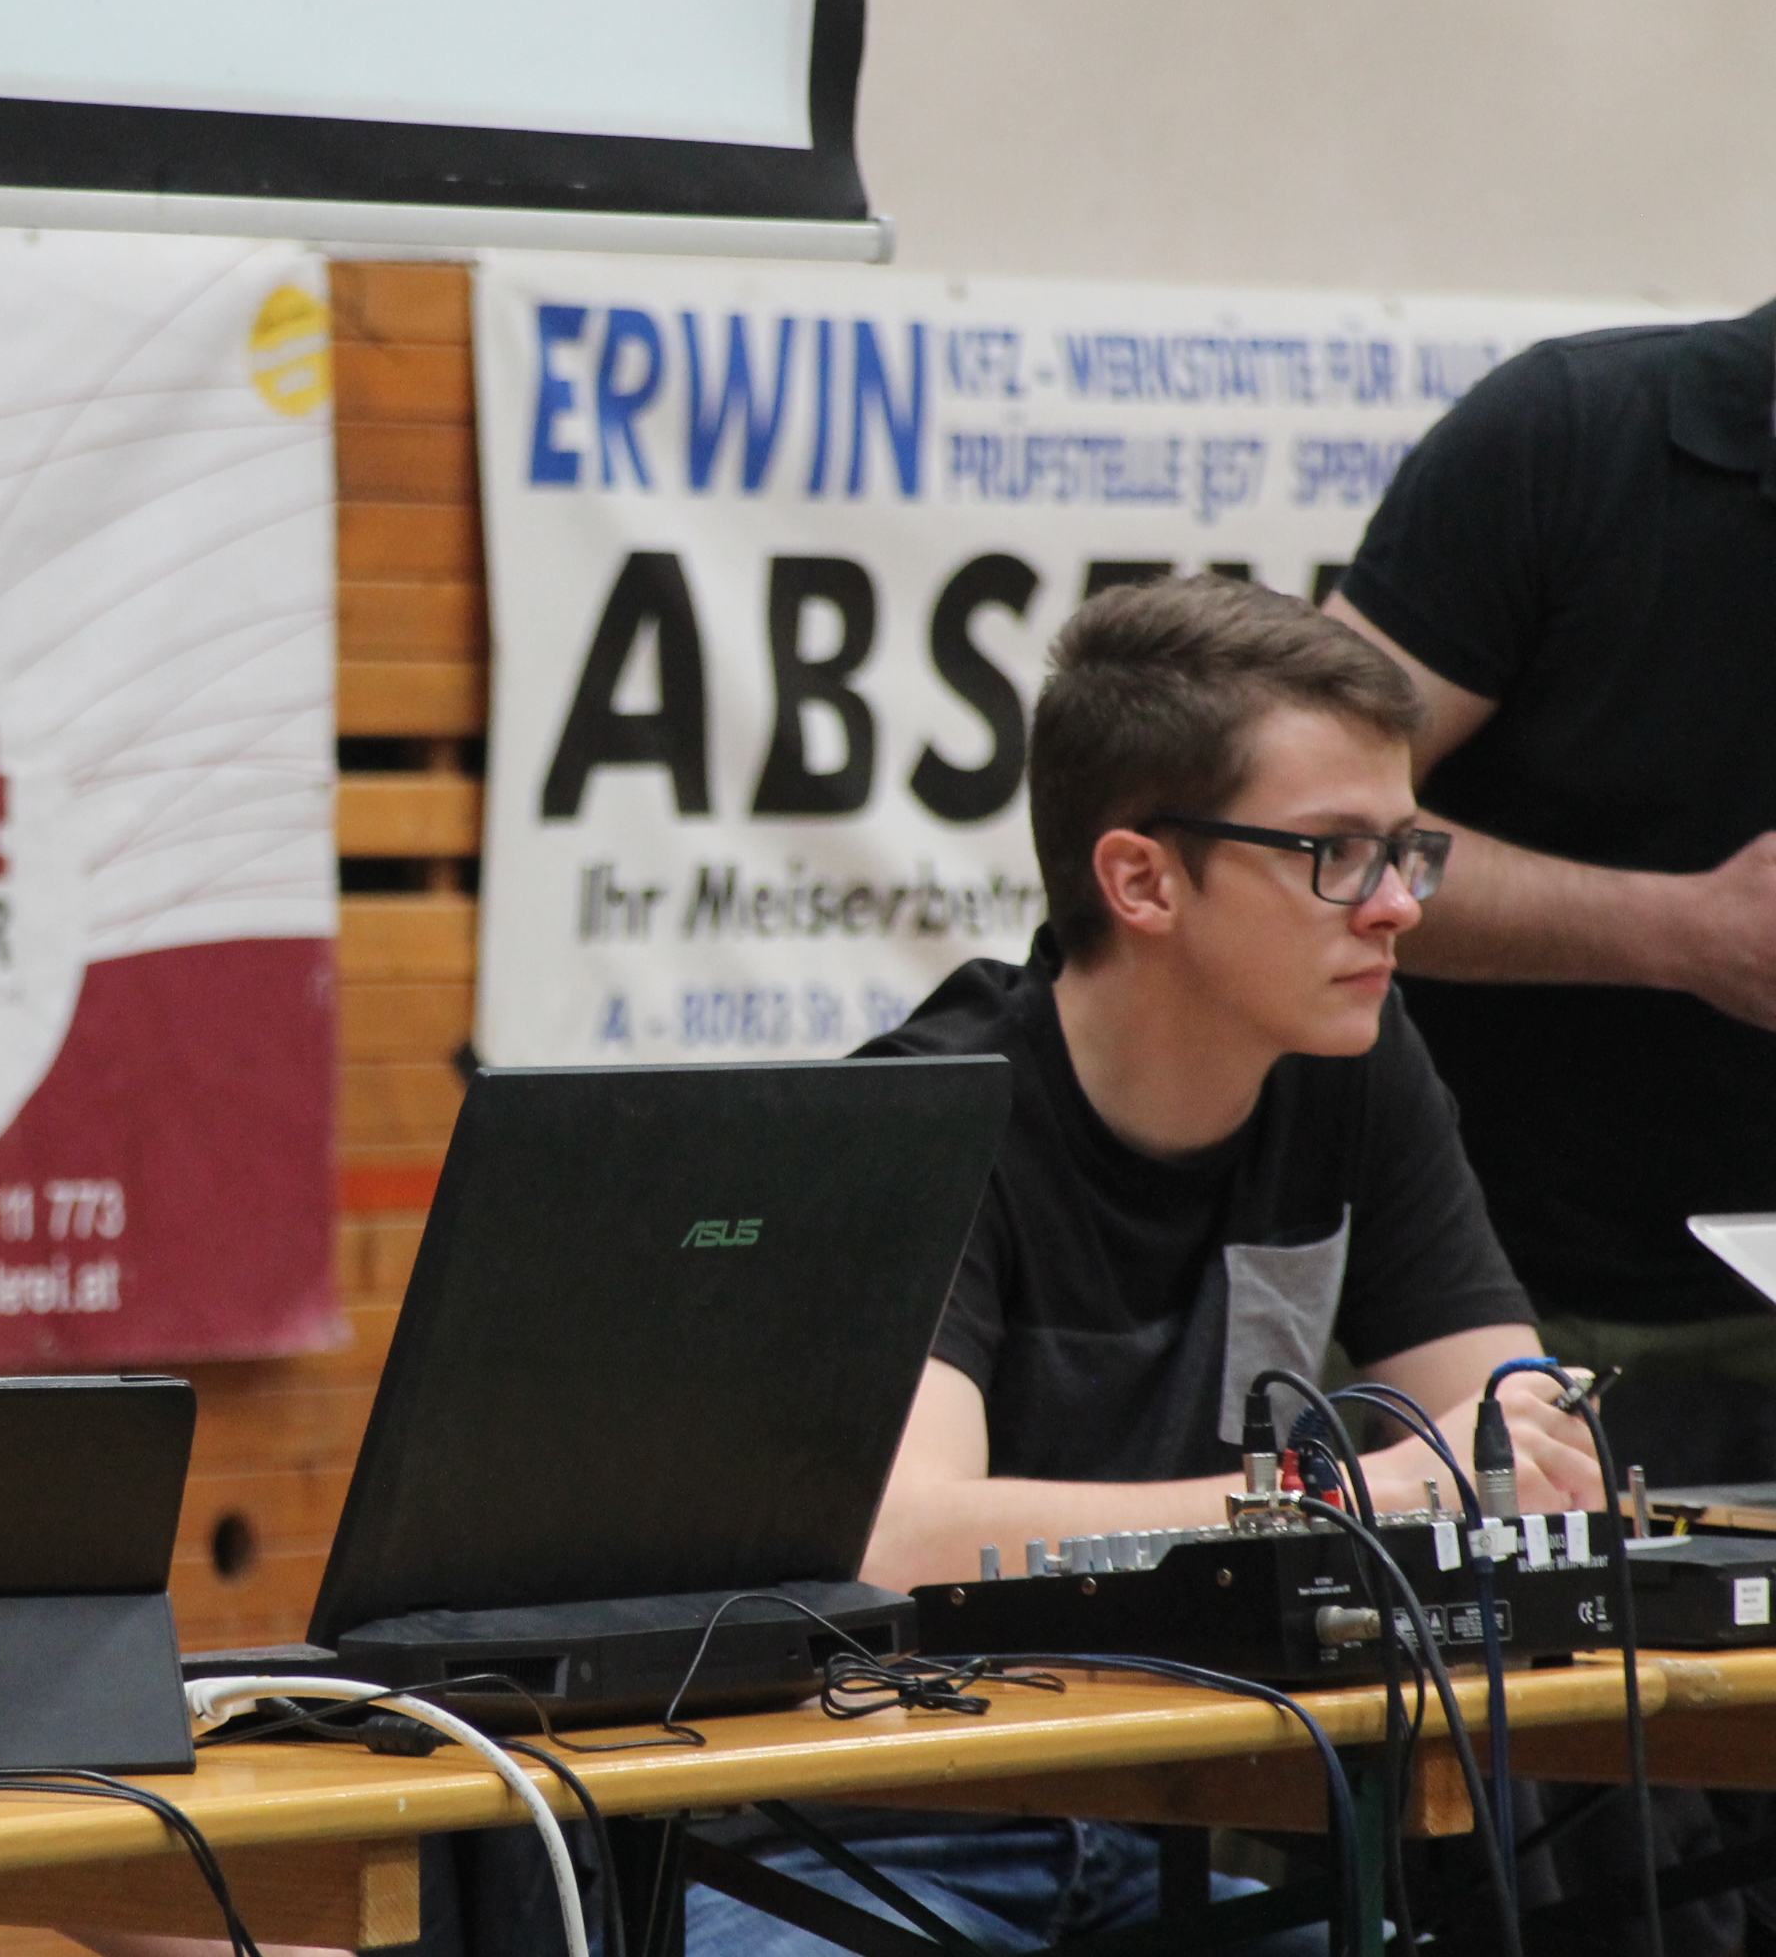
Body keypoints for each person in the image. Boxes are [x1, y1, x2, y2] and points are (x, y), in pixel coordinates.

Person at [680, 577, 1605, 1957]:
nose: (1396, 907)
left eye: (1407, 849)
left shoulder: (1355, 1068)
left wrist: (1495, 1458)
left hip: (1163, 1822)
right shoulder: (926, 1117)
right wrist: (1330, 1502)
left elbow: (1525, 1446)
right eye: (1334, 853)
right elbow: (898, 1543)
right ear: (1140, 879)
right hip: (860, 1838)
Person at [1325, 296, 1776, 1952]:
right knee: (1586, 1877)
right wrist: (1680, 931)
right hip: (1519, 1300)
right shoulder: (1567, 445)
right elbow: (1310, 843)